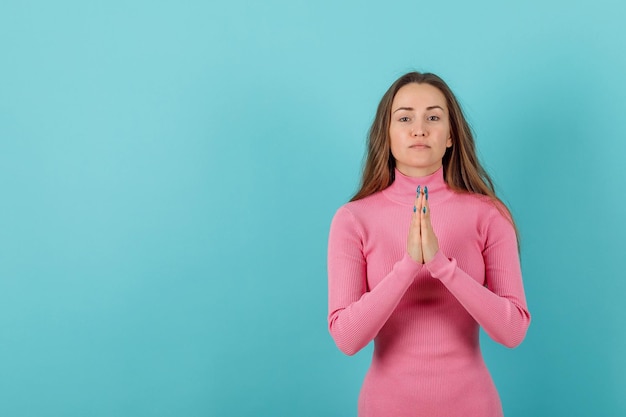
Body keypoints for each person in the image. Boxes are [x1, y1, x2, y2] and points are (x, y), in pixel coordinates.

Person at [327, 71, 531, 417]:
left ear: (451, 136)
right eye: (404, 117)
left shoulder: (489, 214)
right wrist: (408, 266)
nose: (418, 129)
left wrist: (441, 266)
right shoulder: (352, 220)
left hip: (473, 406)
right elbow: (347, 339)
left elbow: (513, 331)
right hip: (385, 407)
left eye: (433, 117)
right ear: (386, 135)